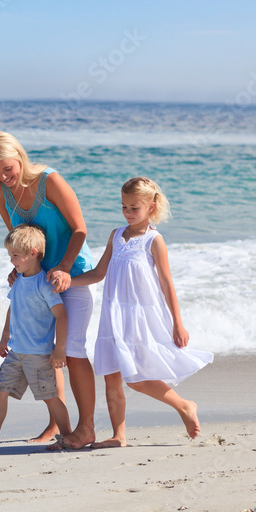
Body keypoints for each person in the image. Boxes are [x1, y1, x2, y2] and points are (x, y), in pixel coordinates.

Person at [0, 131, 97, 449]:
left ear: (20, 157)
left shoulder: (50, 180)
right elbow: (20, 239)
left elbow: (80, 228)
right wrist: (18, 268)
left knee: (71, 351)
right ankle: (56, 428)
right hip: (37, 281)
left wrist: (63, 267)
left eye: (8, 169)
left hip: (71, 272)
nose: (3, 177)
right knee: (47, 353)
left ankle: (85, 427)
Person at [71, 177, 212, 446]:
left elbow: (167, 283)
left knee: (135, 377)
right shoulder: (116, 235)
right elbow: (99, 273)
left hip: (138, 318)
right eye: (124, 206)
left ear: (152, 205)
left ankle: (184, 405)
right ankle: (118, 436)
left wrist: (177, 324)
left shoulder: (153, 240)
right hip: (112, 315)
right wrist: (69, 280)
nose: (128, 213)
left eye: (134, 208)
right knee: (111, 377)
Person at [0, 224, 72, 451]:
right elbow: (13, 307)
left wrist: (59, 348)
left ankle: (68, 436)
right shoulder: (19, 280)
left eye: (15, 256)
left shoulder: (44, 283)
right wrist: (5, 336)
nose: (12, 261)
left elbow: (61, 316)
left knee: (50, 396)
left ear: (33, 252)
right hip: (16, 351)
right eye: (10, 255)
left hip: (39, 354)